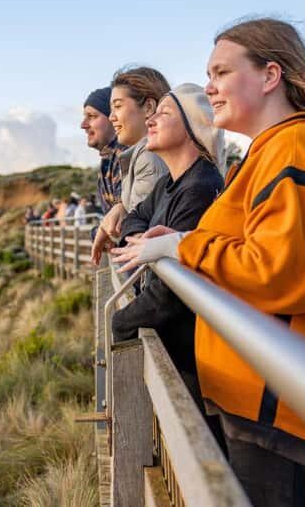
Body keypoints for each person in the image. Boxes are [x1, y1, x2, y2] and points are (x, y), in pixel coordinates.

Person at [111, 18, 305, 507]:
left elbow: (285, 273)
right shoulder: (272, 152)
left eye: (221, 72)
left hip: (285, 406)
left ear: (269, 76)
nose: (211, 87)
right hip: (267, 402)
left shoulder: (297, 148)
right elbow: (260, 243)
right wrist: (187, 237)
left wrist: (182, 248)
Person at [109, 84, 224, 408]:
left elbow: (173, 293)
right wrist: (144, 239)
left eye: (165, 113)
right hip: (177, 347)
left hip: (194, 361)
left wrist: (121, 322)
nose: (151, 121)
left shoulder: (201, 187)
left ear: (192, 128)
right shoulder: (169, 184)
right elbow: (134, 217)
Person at [91, 66, 170, 264]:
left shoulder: (150, 157)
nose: (111, 117)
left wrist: (105, 228)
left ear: (149, 108)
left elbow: (137, 235)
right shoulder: (140, 155)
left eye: (118, 106)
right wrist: (120, 207)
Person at [82, 86, 127, 214]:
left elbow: (120, 223)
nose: (83, 125)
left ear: (113, 117)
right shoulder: (108, 160)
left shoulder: (125, 157)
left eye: (91, 116)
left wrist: (96, 233)